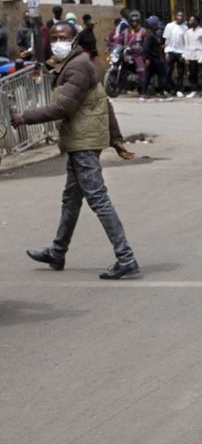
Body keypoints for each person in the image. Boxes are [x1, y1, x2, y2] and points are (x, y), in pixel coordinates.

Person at [16, 21, 140, 280]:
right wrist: (116, 139)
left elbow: (63, 108)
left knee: (98, 199)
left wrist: (24, 117)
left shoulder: (78, 67)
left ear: (73, 41)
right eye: (54, 37)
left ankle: (125, 257)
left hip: (84, 143)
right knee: (71, 200)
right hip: (80, 141)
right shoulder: (72, 65)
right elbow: (103, 102)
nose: (57, 41)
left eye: (63, 37)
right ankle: (57, 251)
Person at [182, 15, 202, 98]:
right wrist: (186, 57)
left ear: (196, 21)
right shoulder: (188, 32)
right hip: (191, 56)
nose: (190, 22)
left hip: (199, 56)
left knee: (201, 74)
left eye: (192, 20)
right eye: (190, 20)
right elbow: (186, 45)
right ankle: (193, 90)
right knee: (191, 74)